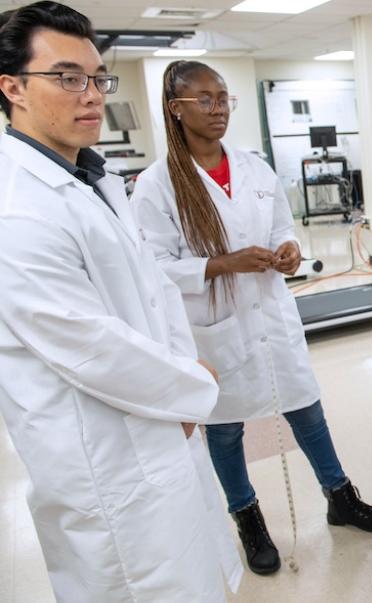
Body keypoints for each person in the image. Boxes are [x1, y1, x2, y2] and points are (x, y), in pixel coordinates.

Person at [0, 3, 241, 600]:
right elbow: (86, 344)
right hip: (106, 459)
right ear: (12, 88)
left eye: (96, 77)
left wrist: (184, 379)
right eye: (66, 77)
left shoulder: (93, 178)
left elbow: (154, 292)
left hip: (160, 424)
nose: (91, 94)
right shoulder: (16, 206)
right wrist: (191, 384)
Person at [131, 60, 372, 576]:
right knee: (225, 431)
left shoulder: (254, 167)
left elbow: (281, 225)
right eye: (203, 99)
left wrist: (289, 248)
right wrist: (222, 264)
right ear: (174, 108)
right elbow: (154, 268)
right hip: (214, 328)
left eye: (224, 97)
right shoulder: (157, 185)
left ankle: (340, 497)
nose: (218, 108)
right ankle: (247, 517)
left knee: (307, 411)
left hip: (270, 317)